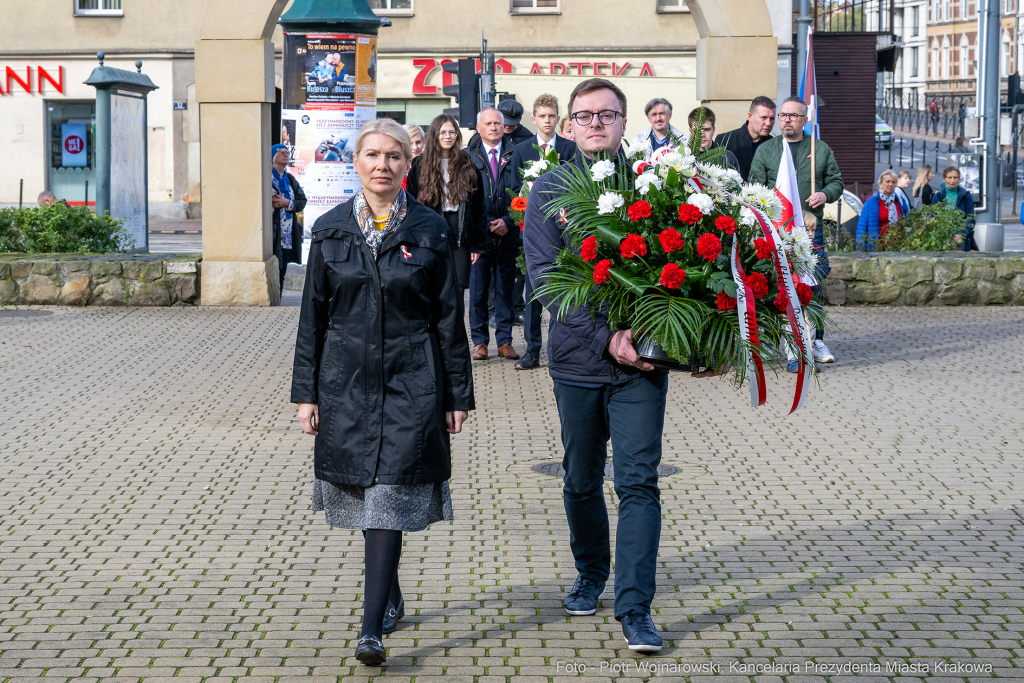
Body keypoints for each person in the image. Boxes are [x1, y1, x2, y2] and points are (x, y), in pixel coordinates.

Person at [292, 118, 474, 667]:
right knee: (369, 499)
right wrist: (307, 393)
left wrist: (456, 395)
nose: (382, 165)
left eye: (393, 156)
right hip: (345, 383)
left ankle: (370, 630)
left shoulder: (429, 229)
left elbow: (448, 317)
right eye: (372, 155)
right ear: (356, 162)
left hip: (412, 381)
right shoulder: (328, 230)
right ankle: (387, 590)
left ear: (406, 164)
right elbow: (312, 321)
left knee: (390, 496)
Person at [524, 77, 669, 653]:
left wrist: (686, 343)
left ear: (623, 121)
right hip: (578, 362)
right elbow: (547, 281)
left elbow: (672, 270)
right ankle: (591, 572)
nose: (595, 124)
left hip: (642, 369)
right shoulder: (549, 192)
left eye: (606, 115)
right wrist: (609, 334)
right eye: (583, 117)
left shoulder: (655, 186)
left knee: (638, 482)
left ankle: (635, 608)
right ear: (568, 126)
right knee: (582, 479)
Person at [748, 96, 843, 366]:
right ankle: (773, 338)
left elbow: (837, 181)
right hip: (776, 230)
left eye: (793, 115)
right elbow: (755, 186)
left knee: (812, 284)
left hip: (811, 230)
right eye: (783, 115)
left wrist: (825, 194)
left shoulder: (820, 149)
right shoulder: (767, 151)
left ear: (804, 120)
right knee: (773, 283)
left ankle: (816, 339)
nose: (787, 119)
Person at [509, 94, 578, 371]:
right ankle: (532, 350)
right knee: (534, 292)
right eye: (542, 116)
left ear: (558, 116)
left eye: (552, 116)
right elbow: (514, 189)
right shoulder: (522, 150)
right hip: (533, 231)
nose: (547, 121)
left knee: (566, 290)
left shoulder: (570, 148)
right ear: (534, 119)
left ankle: (569, 345)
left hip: (565, 230)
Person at [406, 114, 487, 291]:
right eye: (442, 132)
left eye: (452, 132)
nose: (447, 136)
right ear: (434, 135)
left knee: (457, 288)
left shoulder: (468, 164)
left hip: (460, 233)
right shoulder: (419, 165)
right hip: (430, 231)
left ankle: (456, 320)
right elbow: (410, 205)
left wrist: (477, 245)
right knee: (433, 287)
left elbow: (478, 207)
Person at [466, 107, 521, 361]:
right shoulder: (467, 157)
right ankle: (479, 342)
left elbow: (523, 191)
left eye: (497, 123)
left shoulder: (517, 153)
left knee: (505, 291)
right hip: (479, 235)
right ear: (479, 128)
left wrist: (508, 221)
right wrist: (487, 222)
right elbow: (465, 197)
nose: (494, 127)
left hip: (508, 233)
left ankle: (505, 341)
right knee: (477, 291)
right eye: (488, 123)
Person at [713, 95, 776, 181]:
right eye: (763, 117)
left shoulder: (776, 145)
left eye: (772, 118)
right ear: (750, 117)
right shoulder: (724, 140)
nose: (768, 123)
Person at [271, 143, 306, 291]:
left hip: (288, 235)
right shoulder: (267, 178)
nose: (286, 154)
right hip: (273, 234)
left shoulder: (290, 179)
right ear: (273, 157)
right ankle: (272, 305)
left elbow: (301, 201)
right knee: (274, 270)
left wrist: (288, 203)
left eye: (287, 151)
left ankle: (277, 303)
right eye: (281, 152)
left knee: (282, 271)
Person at [932, 166, 976, 251]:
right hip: (943, 239)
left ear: (959, 179)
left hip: (961, 239)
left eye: (955, 178)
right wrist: (947, 234)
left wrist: (961, 235)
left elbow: (971, 219)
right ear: (944, 179)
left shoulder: (966, 195)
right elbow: (934, 218)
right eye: (949, 177)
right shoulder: (938, 197)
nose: (952, 181)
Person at [857, 170, 904, 250]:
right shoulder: (871, 203)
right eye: (887, 181)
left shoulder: (900, 201)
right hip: (877, 249)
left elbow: (907, 222)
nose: (890, 184)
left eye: (893, 182)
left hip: (897, 248)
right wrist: (860, 249)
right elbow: (862, 228)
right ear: (880, 184)